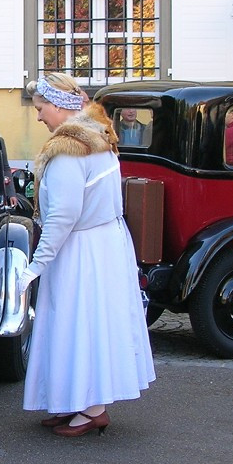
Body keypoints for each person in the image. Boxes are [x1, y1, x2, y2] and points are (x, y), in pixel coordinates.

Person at [21, 72, 155, 436]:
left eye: (41, 107)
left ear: (60, 107)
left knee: (79, 322)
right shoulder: (98, 137)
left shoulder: (69, 151)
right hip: (103, 243)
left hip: (83, 249)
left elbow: (64, 216)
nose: (38, 116)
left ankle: (93, 408)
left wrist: (35, 265)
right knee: (88, 322)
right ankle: (78, 402)